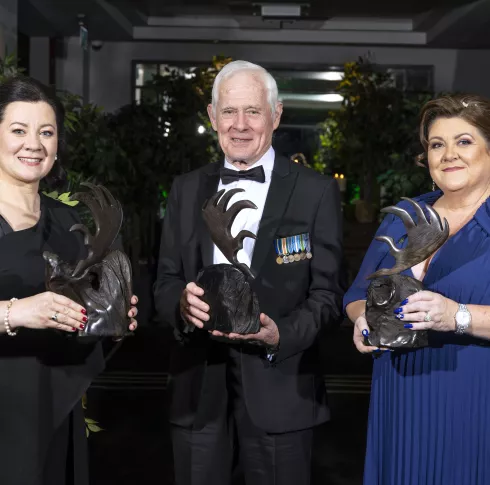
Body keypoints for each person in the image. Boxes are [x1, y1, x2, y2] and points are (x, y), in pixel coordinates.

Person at [154, 60, 344, 485]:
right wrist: (181, 307)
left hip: (282, 389)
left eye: (253, 111)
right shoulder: (185, 190)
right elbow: (164, 279)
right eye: (229, 111)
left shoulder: (316, 192)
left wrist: (282, 334)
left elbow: (328, 295)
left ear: (275, 116)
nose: (240, 125)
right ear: (211, 116)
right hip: (198, 389)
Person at [344, 93, 490, 485]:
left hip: (473, 401)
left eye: (464, 141)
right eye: (436, 145)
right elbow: (357, 293)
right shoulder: (404, 217)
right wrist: (361, 320)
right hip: (399, 396)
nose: (448, 155)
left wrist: (456, 315)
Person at [0, 75, 138, 485]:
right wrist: (17, 312)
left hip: (53, 409)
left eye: (47, 132)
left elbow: (78, 310)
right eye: (18, 130)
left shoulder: (67, 222)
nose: (34, 144)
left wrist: (109, 315)